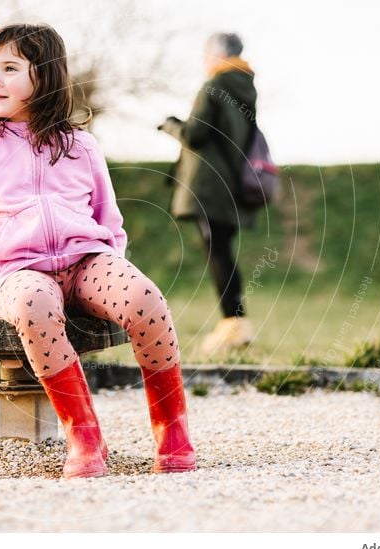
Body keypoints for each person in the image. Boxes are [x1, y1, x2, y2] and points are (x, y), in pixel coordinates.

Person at [0, 23, 195, 479]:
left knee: (147, 301)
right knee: (35, 306)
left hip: (87, 263)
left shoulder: (81, 145)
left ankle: (172, 430)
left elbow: (110, 220)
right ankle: (84, 435)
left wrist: (113, 279)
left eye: (9, 68)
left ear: (43, 75)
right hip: (19, 272)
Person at [159, 32, 258, 354]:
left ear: (217, 55)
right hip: (232, 185)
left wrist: (170, 124)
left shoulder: (213, 87)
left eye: (205, 54)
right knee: (224, 252)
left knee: (217, 254)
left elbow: (195, 134)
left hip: (209, 187)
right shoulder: (245, 88)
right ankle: (236, 322)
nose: (204, 61)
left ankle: (233, 324)